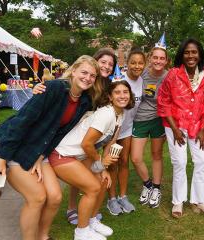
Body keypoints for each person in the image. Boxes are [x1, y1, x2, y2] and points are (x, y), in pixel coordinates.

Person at [0, 55, 101, 240]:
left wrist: (41, 155)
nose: (87, 78)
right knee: (37, 198)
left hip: (40, 150)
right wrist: (1, 157)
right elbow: (22, 121)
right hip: (16, 147)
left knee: (55, 197)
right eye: (84, 72)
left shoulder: (84, 101)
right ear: (74, 71)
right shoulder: (53, 88)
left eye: (92, 75)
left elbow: (58, 133)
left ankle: (43, 236)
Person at [33, 48, 117, 224]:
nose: (107, 66)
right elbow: (65, 85)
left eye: (111, 64)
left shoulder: (107, 87)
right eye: (103, 62)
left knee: (82, 173)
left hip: (90, 134)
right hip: (69, 133)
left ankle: (84, 211)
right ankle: (71, 207)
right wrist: (41, 87)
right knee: (73, 172)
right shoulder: (86, 80)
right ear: (95, 61)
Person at [48, 80, 135, 240]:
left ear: (130, 96)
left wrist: (104, 168)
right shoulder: (106, 114)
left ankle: (92, 220)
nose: (122, 96)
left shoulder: (120, 114)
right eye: (117, 92)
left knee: (103, 182)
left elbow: (110, 143)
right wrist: (101, 163)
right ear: (109, 97)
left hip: (81, 156)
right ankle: (81, 232)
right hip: (63, 154)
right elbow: (87, 144)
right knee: (93, 187)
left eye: (125, 92)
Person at [157, 38, 204, 218]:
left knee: (201, 161)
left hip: (197, 125)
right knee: (180, 163)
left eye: (194, 52)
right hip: (176, 125)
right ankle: (178, 201)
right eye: (187, 52)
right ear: (182, 55)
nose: (190, 56)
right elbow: (163, 102)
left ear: (200, 55)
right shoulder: (173, 74)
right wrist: (175, 130)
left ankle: (199, 201)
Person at [107, 48, 146, 215]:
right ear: (127, 63)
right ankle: (112, 199)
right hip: (112, 129)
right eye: (133, 62)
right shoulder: (119, 80)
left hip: (128, 128)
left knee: (124, 161)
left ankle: (123, 196)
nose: (137, 66)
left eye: (140, 63)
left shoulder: (143, 82)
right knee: (112, 162)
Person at [130, 37, 169, 209]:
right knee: (136, 157)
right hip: (139, 119)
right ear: (150, 58)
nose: (158, 61)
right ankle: (147, 184)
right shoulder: (142, 73)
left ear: (166, 60)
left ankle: (157, 188)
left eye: (162, 58)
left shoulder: (169, 77)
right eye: (155, 57)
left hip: (159, 120)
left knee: (157, 155)